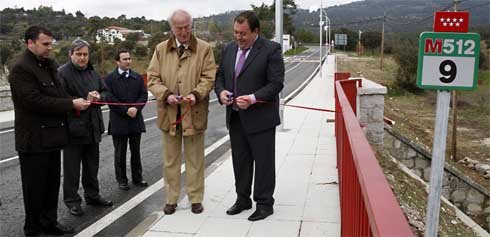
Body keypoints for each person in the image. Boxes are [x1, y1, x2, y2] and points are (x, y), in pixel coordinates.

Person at [9, 26, 90, 236]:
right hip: (33, 140)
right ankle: (34, 228)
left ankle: (49, 222)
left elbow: (59, 93)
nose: (49, 48)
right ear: (30, 43)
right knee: (34, 189)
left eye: (50, 44)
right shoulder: (21, 68)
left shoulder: (49, 65)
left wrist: (79, 99)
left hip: (53, 138)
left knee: (51, 185)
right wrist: (71, 104)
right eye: (45, 44)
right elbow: (34, 101)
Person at [214, 11, 284, 221]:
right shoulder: (228, 49)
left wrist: (253, 98)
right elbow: (220, 79)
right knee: (240, 161)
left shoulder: (271, 49)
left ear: (256, 31)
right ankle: (242, 199)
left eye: (243, 33)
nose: (238, 37)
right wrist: (221, 92)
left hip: (261, 118)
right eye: (236, 32)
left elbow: (276, 84)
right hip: (235, 118)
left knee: (263, 163)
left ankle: (264, 204)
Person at [147, 9, 216, 215]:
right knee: (170, 160)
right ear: (172, 28)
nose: (184, 32)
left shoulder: (204, 49)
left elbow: (209, 77)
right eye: (180, 28)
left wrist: (196, 94)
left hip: (193, 113)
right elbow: (152, 78)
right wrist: (166, 94)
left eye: (187, 27)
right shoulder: (160, 49)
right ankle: (171, 199)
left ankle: (195, 198)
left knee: (195, 159)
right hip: (169, 114)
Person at [58, 39, 113, 217]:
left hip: (93, 127)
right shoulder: (62, 73)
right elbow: (59, 100)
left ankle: (92, 195)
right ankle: (72, 201)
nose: (82, 58)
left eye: (85, 54)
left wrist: (99, 96)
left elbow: (107, 93)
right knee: (72, 169)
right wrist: (81, 99)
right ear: (71, 54)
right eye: (79, 54)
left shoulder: (93, 73)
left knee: (92, 166)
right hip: (73, 129)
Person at [105, 49, 148, 190]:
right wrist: (125, 110)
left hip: (135, 119)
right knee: (120, 153)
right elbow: (109, 98)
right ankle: (122, 180)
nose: (128, 61)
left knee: (136, 152)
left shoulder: (137, 77)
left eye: (129, 58)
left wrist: (136, 108)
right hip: (119, 121)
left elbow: (143, 95)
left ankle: (138, 177)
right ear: (118, 61)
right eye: (124, 59)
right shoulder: (110, 79)